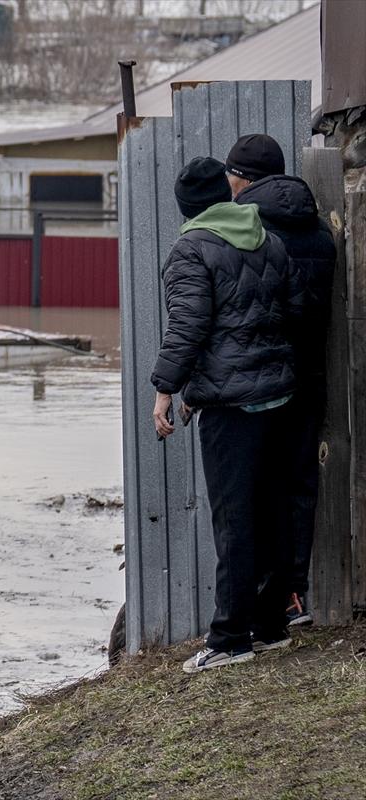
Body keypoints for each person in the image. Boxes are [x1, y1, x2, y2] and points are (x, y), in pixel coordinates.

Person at [150, 156, 302, 674]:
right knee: (272, 512)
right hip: (278, 397)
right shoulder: (267, 238)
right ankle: (271, 627)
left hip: (230, 407)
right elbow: (289, 312)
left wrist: (166, 390)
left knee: (234, 520)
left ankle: (230, 638)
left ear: (187, 208)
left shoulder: (191, 249)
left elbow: (187, 329)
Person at [226, 133, 336, 627]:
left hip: (261, 378)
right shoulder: (317, 230)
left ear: (241, 178)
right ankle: (293, 596)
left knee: (252, 490)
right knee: (296, 486)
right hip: (309, 373)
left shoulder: (246, 228)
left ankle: (256, 607)